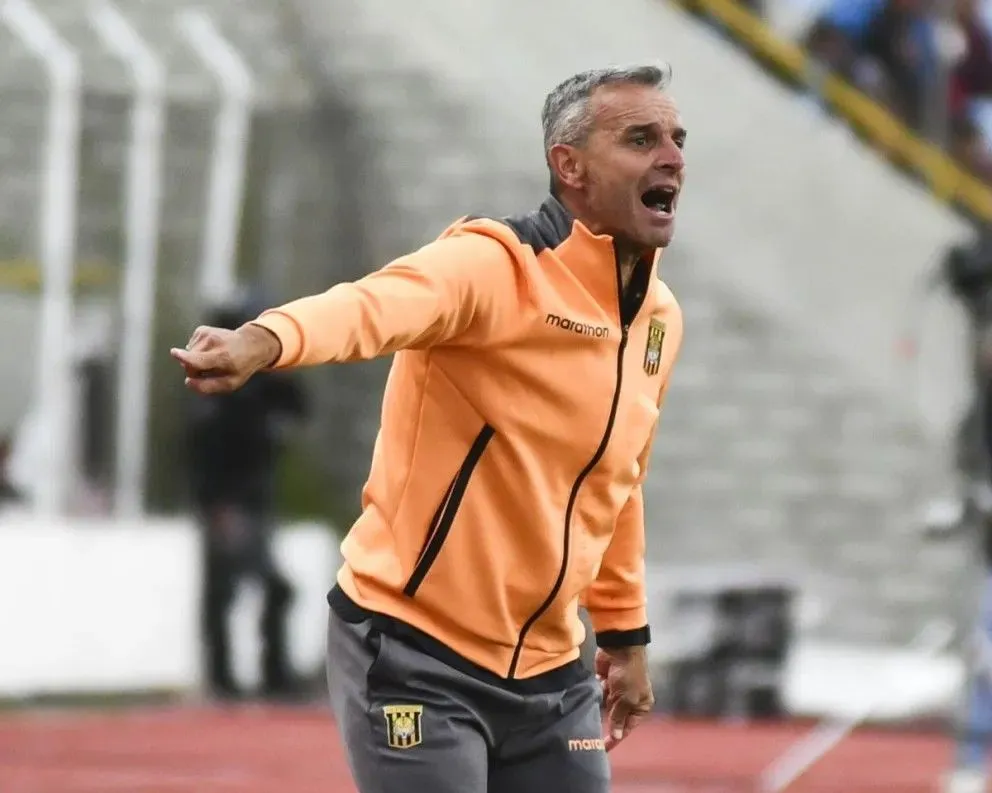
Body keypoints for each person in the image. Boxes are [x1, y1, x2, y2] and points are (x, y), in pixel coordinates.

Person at [172, 63, 685, 793]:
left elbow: (620, 479)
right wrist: (264, 339)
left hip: (553, 675)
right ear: (568, 165)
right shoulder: (492, 266)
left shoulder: (659, 319)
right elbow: (368, 306)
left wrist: (627, 636)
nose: (671, 156)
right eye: (641, 138)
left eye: (675, 138)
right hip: (418, 653)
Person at [185, 294, 310, 701]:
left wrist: (283, 371)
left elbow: (297, 412)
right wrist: (217, 506)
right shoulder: (219, 391)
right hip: (229, 503)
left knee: (264, 589)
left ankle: (263, 677)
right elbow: (204, 452)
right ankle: (225, 680)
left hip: (254, 500)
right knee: (227, 591)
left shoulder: (263, 389)